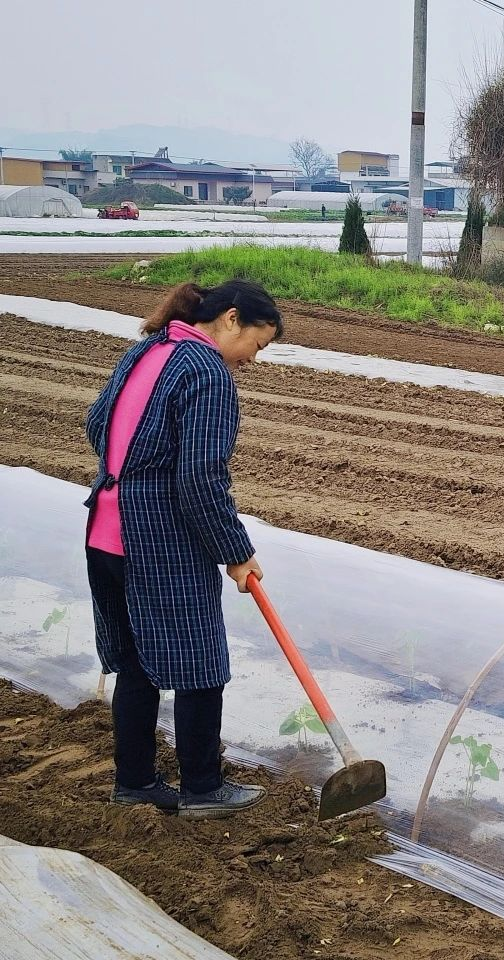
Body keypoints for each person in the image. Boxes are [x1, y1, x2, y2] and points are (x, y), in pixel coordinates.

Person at [85, 280, 283, 818]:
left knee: (137, 664)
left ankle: (136, 781)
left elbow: (97, 424)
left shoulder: (147, 350)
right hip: (159, 543)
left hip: (105, 532)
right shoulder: (206, 371)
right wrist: (235, 552)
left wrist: (132, 475)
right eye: (258, 346)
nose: (251, 360)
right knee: (200, 662)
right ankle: (202, 788)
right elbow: (200, 479)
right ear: (232, 319)